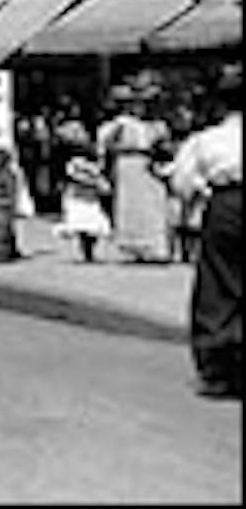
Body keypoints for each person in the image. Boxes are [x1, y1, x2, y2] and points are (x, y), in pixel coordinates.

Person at [158, 64, 241, 399]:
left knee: (220, 281)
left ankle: (220, 363)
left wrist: (199, 191)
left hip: (225, 204)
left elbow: (182, 181)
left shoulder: (207, 140)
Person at [98, 85, 173, 263]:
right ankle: (133, 247)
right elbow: (106, 143)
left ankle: (153, 247)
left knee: (153, 204)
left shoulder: (155, 125)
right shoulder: (120, 124)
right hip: (127, 163)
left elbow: (163, 144)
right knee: (129, 205)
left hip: (148, 162)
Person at [57, 152, 112, 263]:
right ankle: (86, 252)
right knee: (81, 228)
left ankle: (89, 251)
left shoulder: (96, 164)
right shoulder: (74, 164)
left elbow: (104, 184)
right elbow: (71, 176)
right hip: (77, 199)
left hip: (91, 199)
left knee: (93, 228)